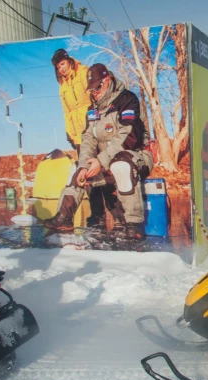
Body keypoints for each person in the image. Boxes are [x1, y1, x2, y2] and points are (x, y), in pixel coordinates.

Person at [44, 63, 153, 240]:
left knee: (121, 164)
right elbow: (88, 139)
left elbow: (129, 135)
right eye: (92, 90)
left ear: (107, 79)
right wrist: (85, 164)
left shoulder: (127, 100)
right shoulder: (92, 111)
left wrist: (101, 161)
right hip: (105, 160)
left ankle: (134, 223)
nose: (95, 93)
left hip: (136, 156)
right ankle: (64, 216)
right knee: (78, 169)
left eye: (98, 87)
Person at [51, 49, 120, 229]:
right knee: (88, 177)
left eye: (63, 64)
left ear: (69, 61)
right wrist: (70, 133)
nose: (62, 69)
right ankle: (96, 215)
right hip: (78, 135)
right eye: (58, 67)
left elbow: (96, 96)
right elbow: (67, 112)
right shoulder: (63, 86)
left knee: (103, 172)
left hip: (93, 129)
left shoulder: (83, 72)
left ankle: (118, 215)